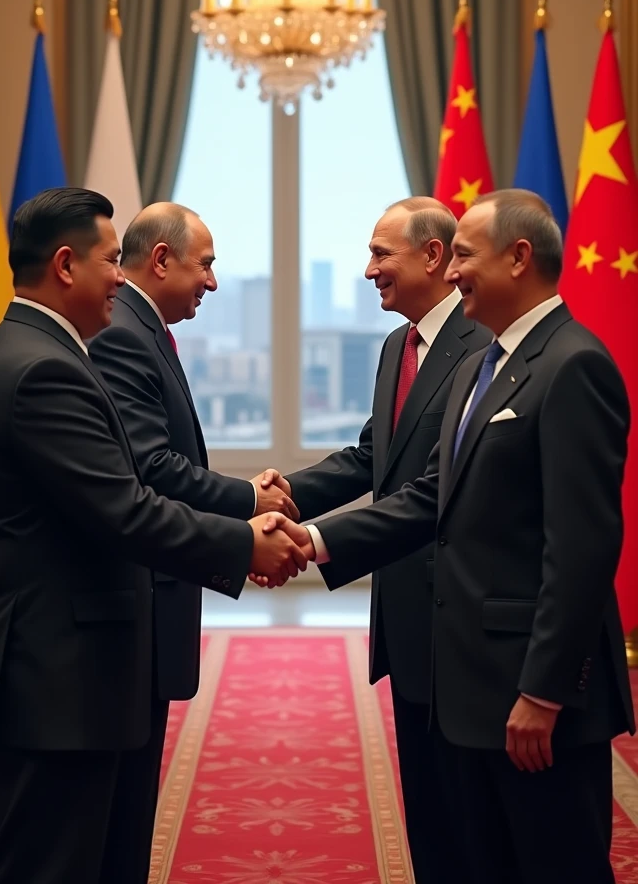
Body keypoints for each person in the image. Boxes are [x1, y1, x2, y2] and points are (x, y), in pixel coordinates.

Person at [272, 190, 635, 884]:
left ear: (519, 258)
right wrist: (313, 541)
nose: (455, 272)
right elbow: (428, 498)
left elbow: (581, 550)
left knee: (555, 862)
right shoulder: (483, 366)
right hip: (466, 682)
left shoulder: (573, 364)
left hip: (533, 693)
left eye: (465, 255)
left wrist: (545, 691)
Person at [0, 188, 308, 884]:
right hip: (55, 674)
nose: (122, 274)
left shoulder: (44, 350)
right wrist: (245, 543)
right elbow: (127, 508)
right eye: (112, 260)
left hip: (70, 669)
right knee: (47, 864)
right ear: (64, 265)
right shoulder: (42, 369)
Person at [258, 197, 489, 883]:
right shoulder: (400, 344)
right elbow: (372, 457)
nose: (369, 271)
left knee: (474, 819)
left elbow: (434, 488)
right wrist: (280, 495)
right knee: (431, 820)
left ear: (434, 256)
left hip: (465, 625)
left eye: (381, 254)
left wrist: (310, 540)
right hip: (411, 622)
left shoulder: (482, 346)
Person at [88, 201, 299, 884]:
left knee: (125, 809)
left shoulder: (142, 329)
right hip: (131, 605)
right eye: (204, 264)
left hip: (145, 599)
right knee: (110, 815)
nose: (212, 281)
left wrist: (251, 502)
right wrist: (249, 506)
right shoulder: (124, 333)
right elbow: (150, 467)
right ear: (161, 260)